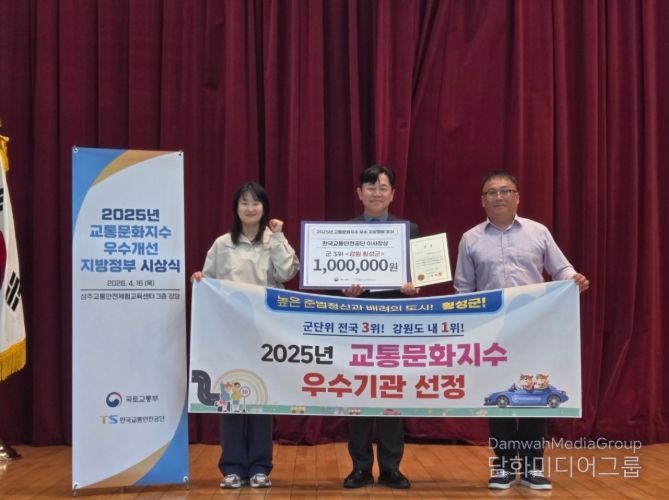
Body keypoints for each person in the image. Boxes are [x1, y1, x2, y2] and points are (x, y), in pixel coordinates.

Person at [453, 170, 589, 491]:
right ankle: (503, 466)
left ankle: (532, 467)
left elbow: (561, 268)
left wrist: (573, 278)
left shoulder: (538, 232)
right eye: (492, 192)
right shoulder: (470, 238)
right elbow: (463, 289)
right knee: (498, 400)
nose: (499, 196)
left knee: (535, 397)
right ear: (482, 201)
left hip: (535, 329)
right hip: (493, 335)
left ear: (517, 197)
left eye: (505, 190)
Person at [191, 181, 299, 489]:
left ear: (264, 208)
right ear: (236, 208)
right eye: (244, 203)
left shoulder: (273, 240)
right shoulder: (222, 243)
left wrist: (278, 237)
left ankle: (261, 466)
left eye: (255, 203)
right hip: (230, 333)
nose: (250, 208)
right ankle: (233, 467)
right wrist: (199, 278)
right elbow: (209, 282)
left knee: (262, 398)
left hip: (266, 332)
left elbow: (287, 272)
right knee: (231, 399)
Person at [341, 164, 419, 489]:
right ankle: (360, 467)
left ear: (393, 194)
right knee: (358, 394)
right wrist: (344, 288)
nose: (376, 193)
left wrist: (413, 286)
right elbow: (331, 277)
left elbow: (420, 275)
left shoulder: (410, 230)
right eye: (370, 187)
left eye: (382, 187)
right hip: (356, 326)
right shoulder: (343, 231)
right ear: (359, 193)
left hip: (394, 326)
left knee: (391, 395)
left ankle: (390, 468)